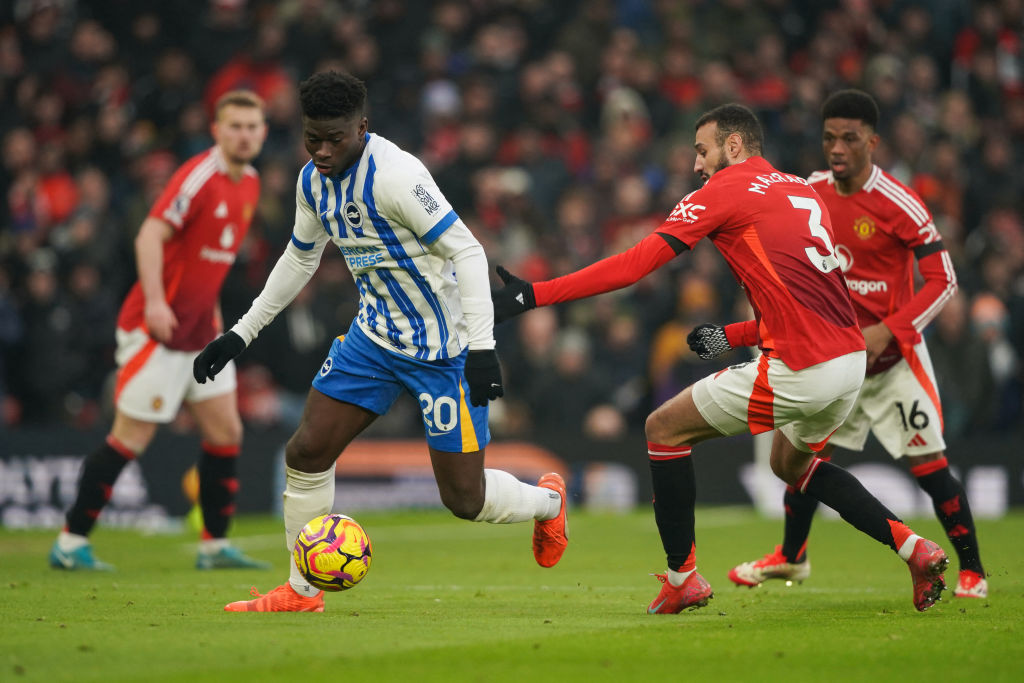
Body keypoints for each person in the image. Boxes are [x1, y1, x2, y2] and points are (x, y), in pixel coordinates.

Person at [493, 103, 950, 613]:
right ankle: (915, 548)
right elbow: (813, 301)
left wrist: (536, 294)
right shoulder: (800, 189)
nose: (696, 165)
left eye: (702, 150)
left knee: (663, 429)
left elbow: (636, 264)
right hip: (848, 362)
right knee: (791, 464)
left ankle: (681, 578)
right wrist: (735, 332)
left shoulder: (726, 189)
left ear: (733, 147)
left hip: (802, 367)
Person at [193, 71, 568, 613]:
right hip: (374, 339)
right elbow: (301, 257)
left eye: (335, 139)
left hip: (446, 351)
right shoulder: (311, 182)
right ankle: (303, 591)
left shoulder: (396, 176)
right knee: (306, 451)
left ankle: (548, 502)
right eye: (311, 138)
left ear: (362, 128)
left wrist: (482, 349)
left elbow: (467, 252)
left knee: (465, 499)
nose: (322, 151)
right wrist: (239, 333)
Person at [719, 90, 987, 599]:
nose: (836, 148)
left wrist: (888, 330)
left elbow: (943, 279)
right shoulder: (807, 192)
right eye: (828, 137)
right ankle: (791, 558)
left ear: (872, 141)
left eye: (849, 137)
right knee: (798, 460)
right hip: (832, 360)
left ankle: (972, 569)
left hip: (891, 365)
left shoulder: (898, 202)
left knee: (930, 468)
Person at [49, 90, 271, 571]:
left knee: (226, 432)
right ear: (216, 129)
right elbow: (150, 233)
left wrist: (211, 318)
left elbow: (208, 265)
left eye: (253, 126)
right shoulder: (199, 178)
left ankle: (213, 545)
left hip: (200, 334)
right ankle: (70, 542)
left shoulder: (249, 183)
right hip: (157, 333)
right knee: (129, 439)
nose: (245, 135)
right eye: (235, 126)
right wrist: (154, 301)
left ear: (263, 132)